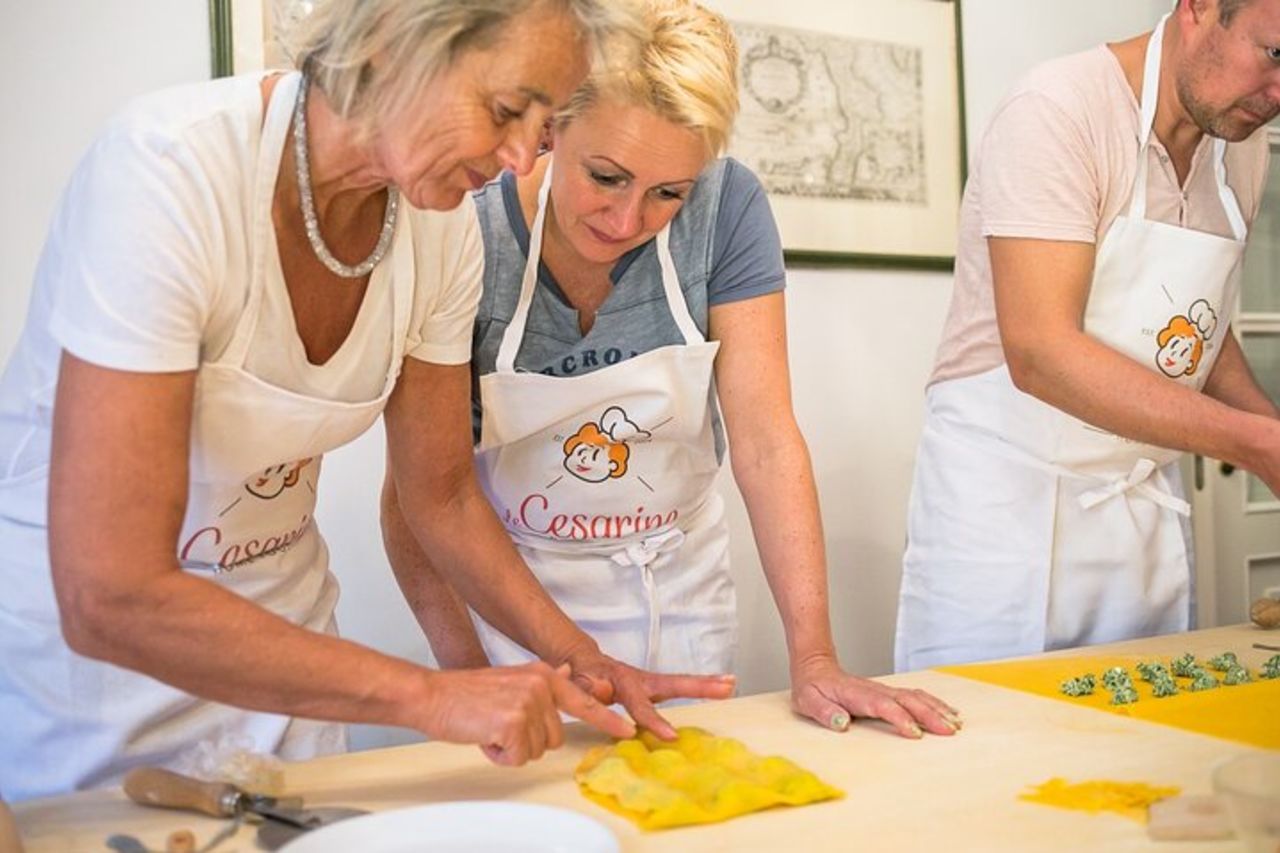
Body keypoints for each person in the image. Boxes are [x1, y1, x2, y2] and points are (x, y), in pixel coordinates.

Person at [0, 0, 738, 803]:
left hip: (286, 655)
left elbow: (443, 494)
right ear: (392, 43)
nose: (525, 154)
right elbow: (110, 593)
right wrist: (429, 695)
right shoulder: (168, 172)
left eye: (547, 122)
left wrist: (578, 657)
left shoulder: (439, 226)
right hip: (95, 683)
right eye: (504, 110)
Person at [382, 0, 962, 740]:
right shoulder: (468, 234)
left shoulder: (727, 209)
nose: (627, 222)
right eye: (605, 177)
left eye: (667, 194)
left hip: (681, 596)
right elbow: (416, 499)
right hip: (516, 614)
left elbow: (765, 440)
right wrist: (468, 676)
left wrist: (815, 656)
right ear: (552, 127)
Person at [895, 0, 1280, 671]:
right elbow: (1042, 351)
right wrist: (1254, 443)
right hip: (1012, 511)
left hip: (1140, 514)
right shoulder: (1057, 111)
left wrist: (1272, 433)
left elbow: (1195, 328)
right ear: (1199, 8)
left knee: (1150, 753)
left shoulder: (1238, 153)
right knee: (995, 751)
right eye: (1275, 54)